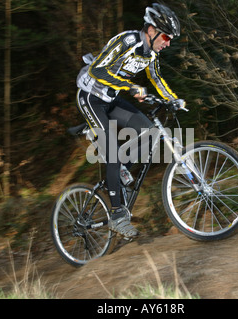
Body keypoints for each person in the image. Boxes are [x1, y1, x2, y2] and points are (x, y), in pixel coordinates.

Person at [75, 3, 185, 238]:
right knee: (112, 151)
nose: (168, 43)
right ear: (152, 30)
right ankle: (117, 215)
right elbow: (97, 70)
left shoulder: (152, 53)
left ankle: (120, 169)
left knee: (149, 131)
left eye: (171, 39)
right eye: (166, 36)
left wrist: (174, 99)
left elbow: (156, 79)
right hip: (91, 97)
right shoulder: (127, 41)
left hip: (111, 99)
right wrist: (130, 86)